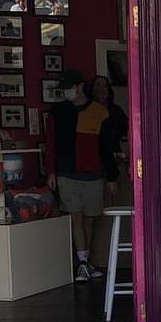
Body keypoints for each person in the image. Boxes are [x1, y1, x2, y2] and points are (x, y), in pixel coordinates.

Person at [45, 68, 118, 283]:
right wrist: (51, 171)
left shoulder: (100, 112)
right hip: (67, 172)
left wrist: (111, 176)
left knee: (90, 219)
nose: (66, 92)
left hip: (93, 174)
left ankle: (86, 261)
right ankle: (83, 263)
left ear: (78, 87)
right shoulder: (57, 112)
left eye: (68, 88)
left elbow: (106, 147)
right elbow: (51, 145)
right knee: (76, 216)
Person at [90, 74, 129, 162]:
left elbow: (125, 131)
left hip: (114, 155)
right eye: (98, 85)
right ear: (92, 90)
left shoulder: (116, 110)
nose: (102, 89)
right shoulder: (88, 111)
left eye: (105, 86)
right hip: (94, 156)